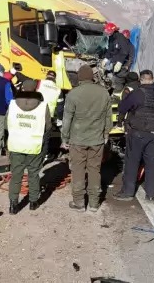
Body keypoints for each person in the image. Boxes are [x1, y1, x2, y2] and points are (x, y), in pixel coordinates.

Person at [61, 64, 112, 212]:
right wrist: (106, 134)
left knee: (77, 169)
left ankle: (79, 203)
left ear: (79, 78)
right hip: (97, 139)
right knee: (94, 170)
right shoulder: (104, 93)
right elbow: (108, 117)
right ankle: (94, 204)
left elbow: (67, 119)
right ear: (92, 77)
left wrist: (65, 138)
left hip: (77, 139)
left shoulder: (73, 94)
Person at [114, 69, 154, 202]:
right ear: (153, 80)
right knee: (152, 163)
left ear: (140, 80)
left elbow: (123, 108)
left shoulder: (137, 93)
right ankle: (151, 194)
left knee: (132, 161)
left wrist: (121, 121)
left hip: (138, 132)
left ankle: (128, 192)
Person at [6, 80, 51, 214]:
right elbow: (48, 127)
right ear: (35, 89)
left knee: (16, 176)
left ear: (23, 88)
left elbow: (5, 125)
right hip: (34, 146)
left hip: (16, 145)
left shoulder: (13, 105)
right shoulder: (43, 106)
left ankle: (13, 205)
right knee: (33, 175)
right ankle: (33, 202)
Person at [102, 22, 133, 92]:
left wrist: (120, 62)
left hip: (122, 65)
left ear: (113, 31)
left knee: (118, 80)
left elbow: (125, 51)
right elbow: (110, 49)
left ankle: (117, 95)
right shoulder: (111, 38)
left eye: (108, 32)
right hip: (114, 62)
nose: (107, 33)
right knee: (110, 77)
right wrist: (106, 58)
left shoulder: (120, 38)